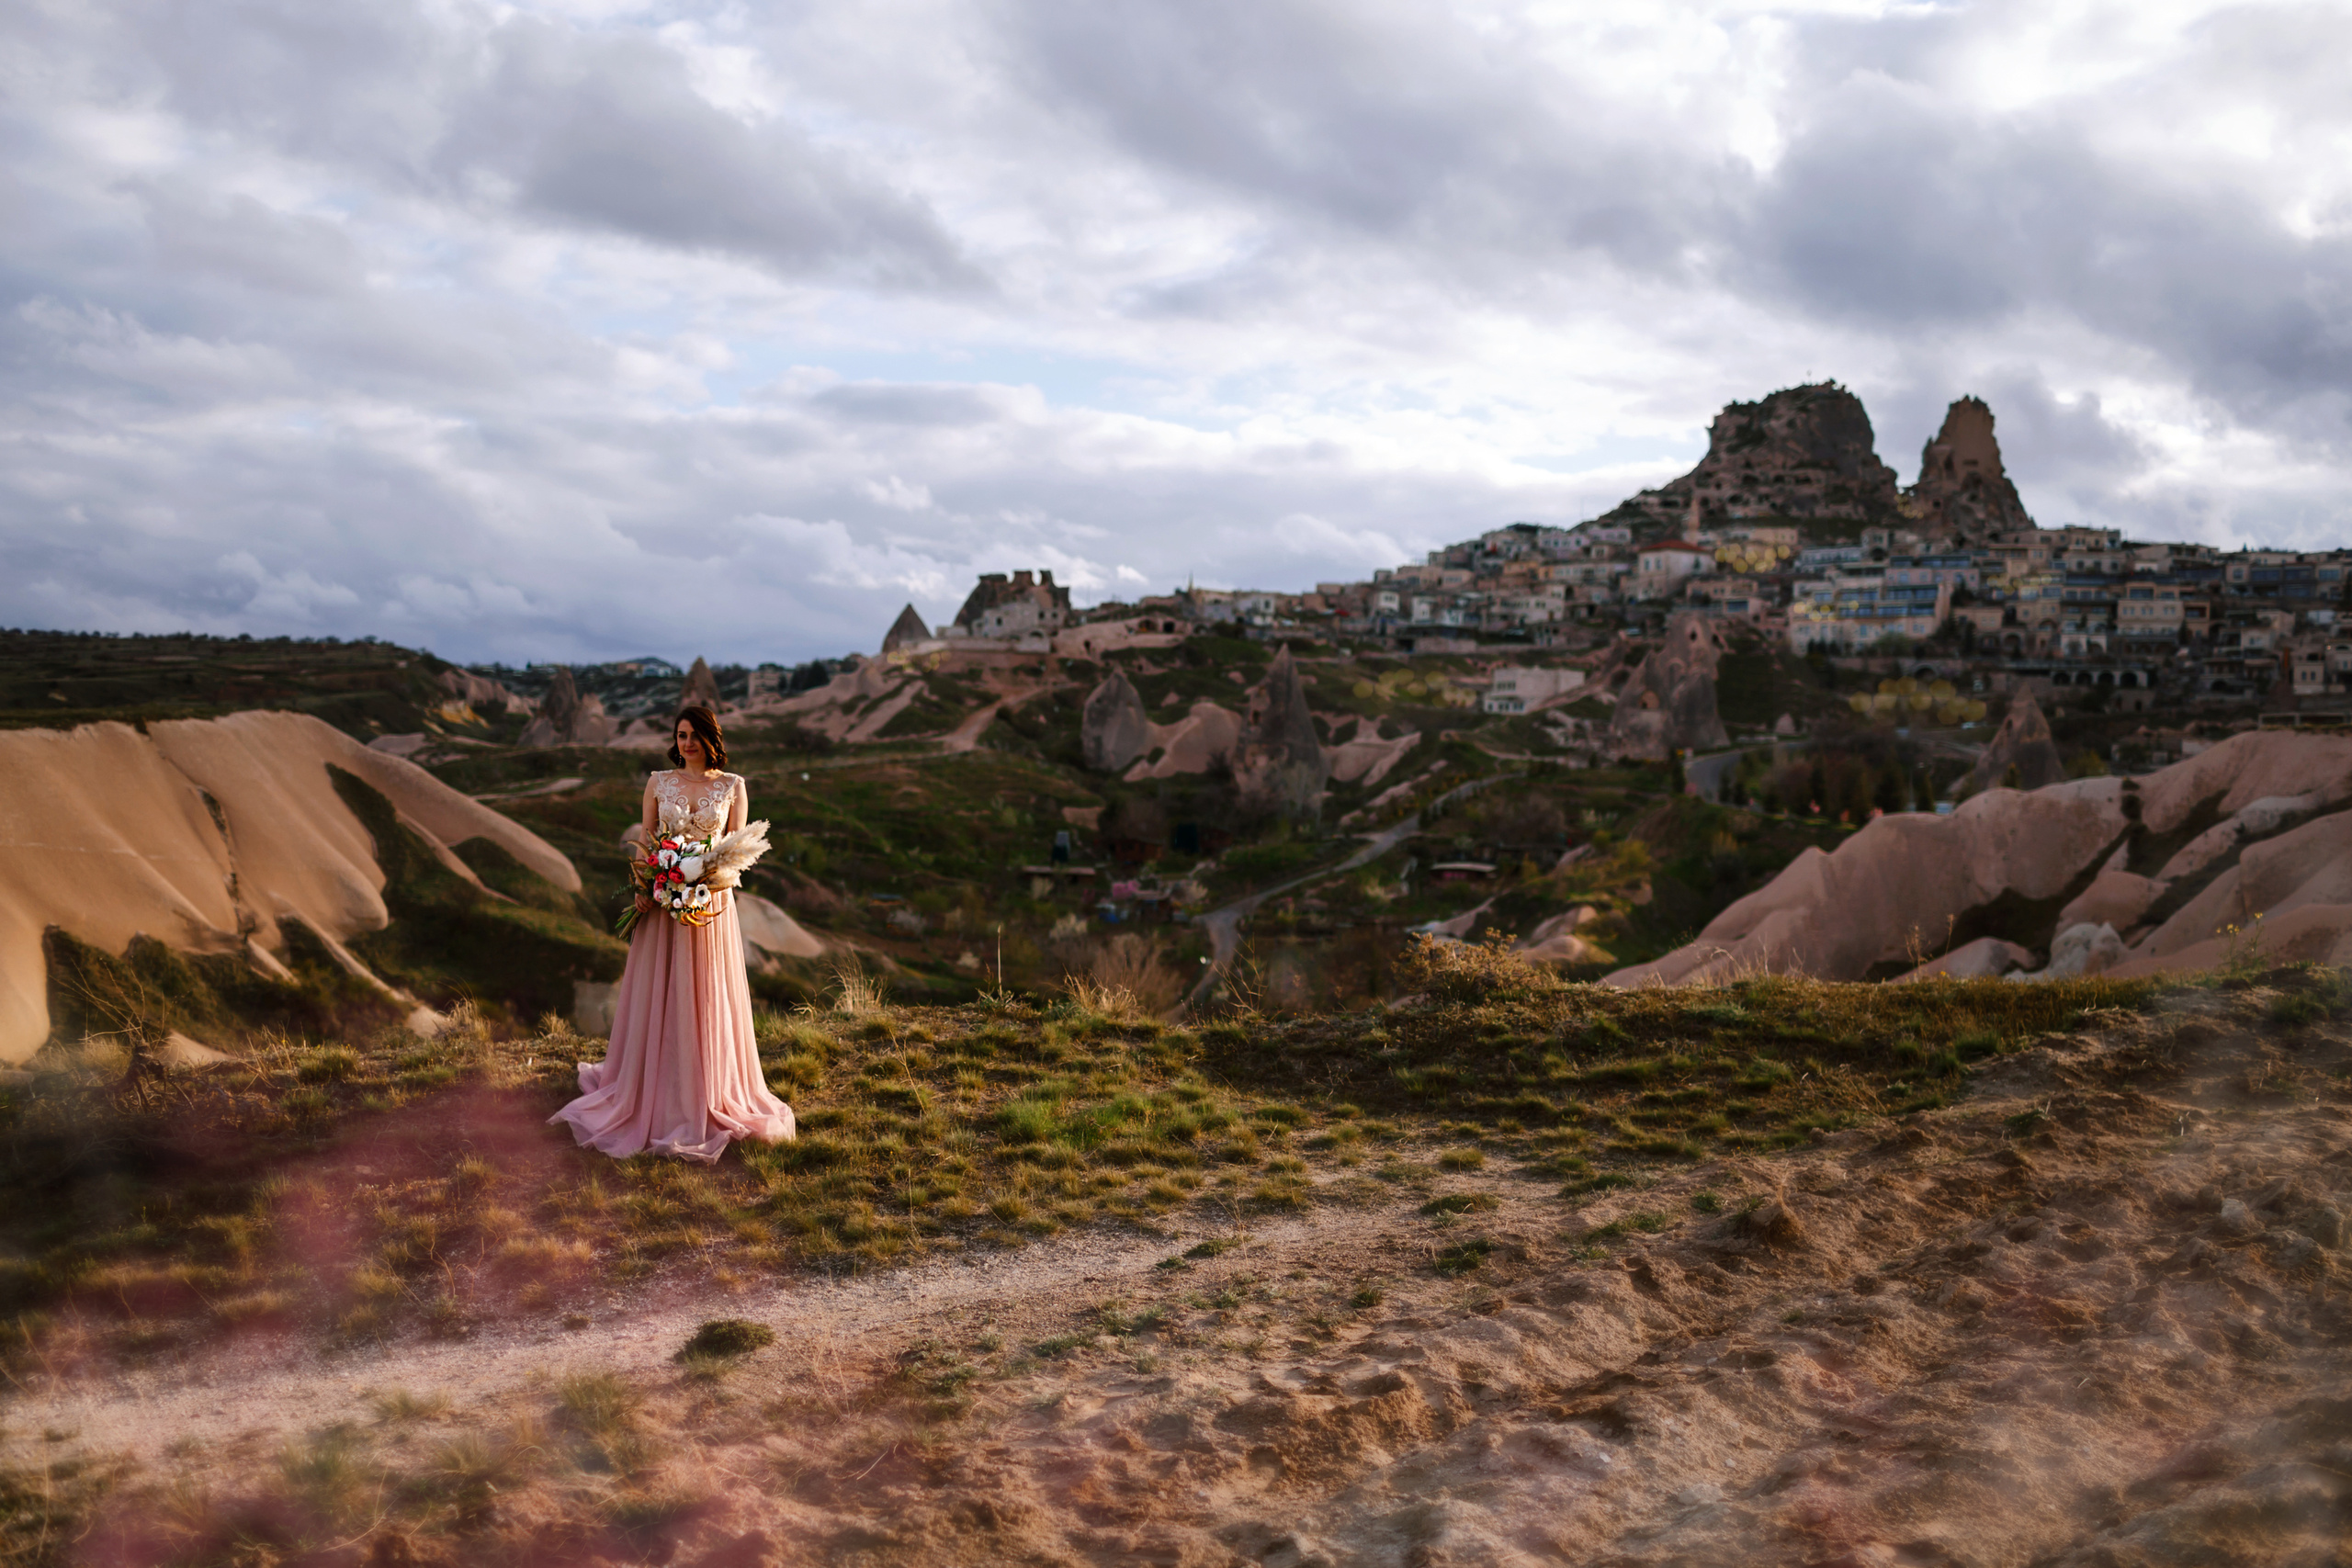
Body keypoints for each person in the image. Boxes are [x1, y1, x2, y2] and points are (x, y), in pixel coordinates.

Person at [550, 705, 796, 1161]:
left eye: (695, 736)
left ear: (710, 739)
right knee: (661, 994)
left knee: (703, 997)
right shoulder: (658, 782)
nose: (687, 744)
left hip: (708, 909)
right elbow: (646, 839)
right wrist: (647, 885)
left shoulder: (733, 786)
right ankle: (650, 1087)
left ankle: (704, 1088)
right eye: (681, 735)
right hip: (662, 906)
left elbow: (732, 855)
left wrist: (697, 885)